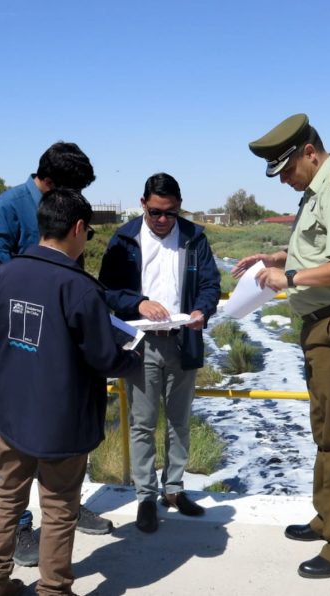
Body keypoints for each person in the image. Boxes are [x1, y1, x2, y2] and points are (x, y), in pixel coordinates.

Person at [232, 114, 330, 579]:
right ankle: (329, 518)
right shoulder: (317, 191)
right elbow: (324, 250)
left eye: (287, 170)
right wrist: (278, 258)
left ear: (309, 153)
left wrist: (291, 277)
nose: (285, 181)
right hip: (323, 328)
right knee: (326, 429)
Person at [0, 188, 142, 596]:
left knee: (7, 497)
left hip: (12, 414)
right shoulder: (78, 288)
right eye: (88, 233)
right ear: (78, 228)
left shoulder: (6, 274)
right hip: (62, 422)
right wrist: (135, 359)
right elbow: (104, 357)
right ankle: (54, 589)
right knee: (58, 506)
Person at [0, 142, 112, 566]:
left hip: (63, 346)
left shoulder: (64, 213)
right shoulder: (9, 207)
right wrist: (40, 290)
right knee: (16, 472)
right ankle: (24, 530)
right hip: (29, 343)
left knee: (55, 463)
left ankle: (63, 509)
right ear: (50, 183)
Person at [99, 173, 221, 533]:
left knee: (180, 421)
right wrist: (140, 303)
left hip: (184, 339)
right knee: (142, 423)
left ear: (179, 207)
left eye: (169, 212)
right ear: (142, 204)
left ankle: (174, 489)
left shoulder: (194, 236)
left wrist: (202, 311)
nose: (163, 220)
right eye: (155, 213)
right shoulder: (124, 238)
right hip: (140, 343)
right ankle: (145, 497)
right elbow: (106, 290)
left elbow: (211, 284)